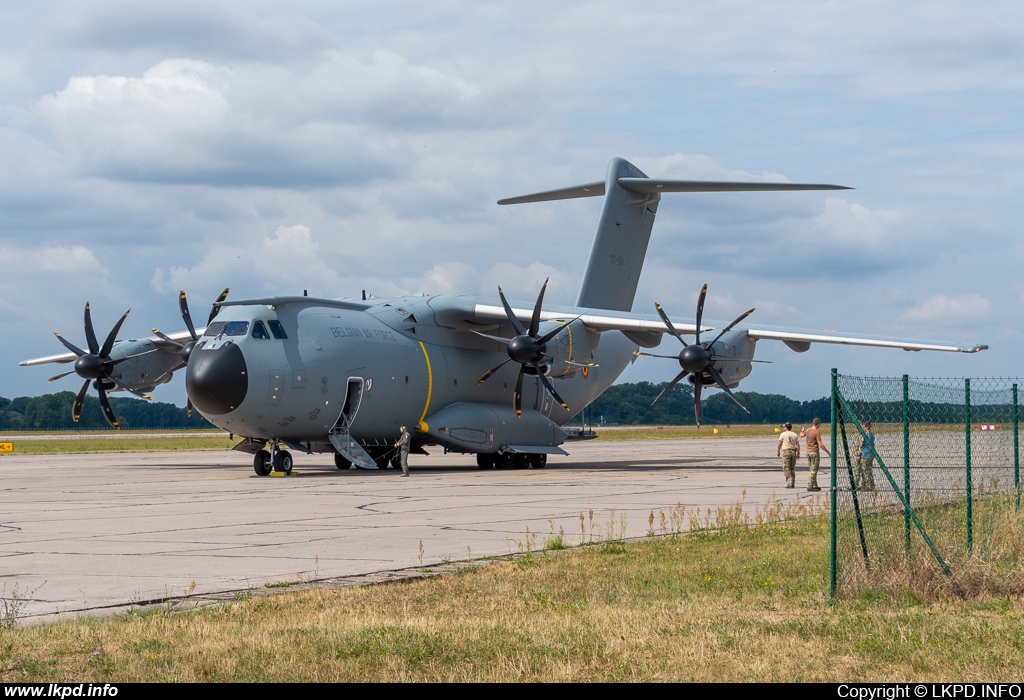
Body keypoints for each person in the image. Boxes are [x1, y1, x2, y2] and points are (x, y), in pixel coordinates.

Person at [801, 417, 830, 492]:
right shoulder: (816, 432)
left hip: (808, 452)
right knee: (814, 470)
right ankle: (809, 485)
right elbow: (820, 444)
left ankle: (814, 485)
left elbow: (801, 435)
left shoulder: (807, 430)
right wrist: (828, 452)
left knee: (812, 469)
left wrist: (803, 431)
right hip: (814, 451)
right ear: (818, 424)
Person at [776, 422, 800, 488]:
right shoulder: (795, 434)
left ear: (786, 428)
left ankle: (790, 483)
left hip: (786, 452)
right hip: (793, 452)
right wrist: (798, 453)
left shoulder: (783, 434)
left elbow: (780, 443)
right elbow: (797, 444)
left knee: (786, 468)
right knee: (792, 468)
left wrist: (778, 450)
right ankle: (792, 482)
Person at [855, 421, 875, 492]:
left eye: (863, 426)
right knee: (869, 471)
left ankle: (867, 486)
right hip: (871, 455)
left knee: (865, 471)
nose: (862, 428)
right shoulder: (872, 435)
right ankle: (872, 485)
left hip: (865, 455)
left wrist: (860, 443)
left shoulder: (865, 435)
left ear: (866, 427)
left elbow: (861, 445)